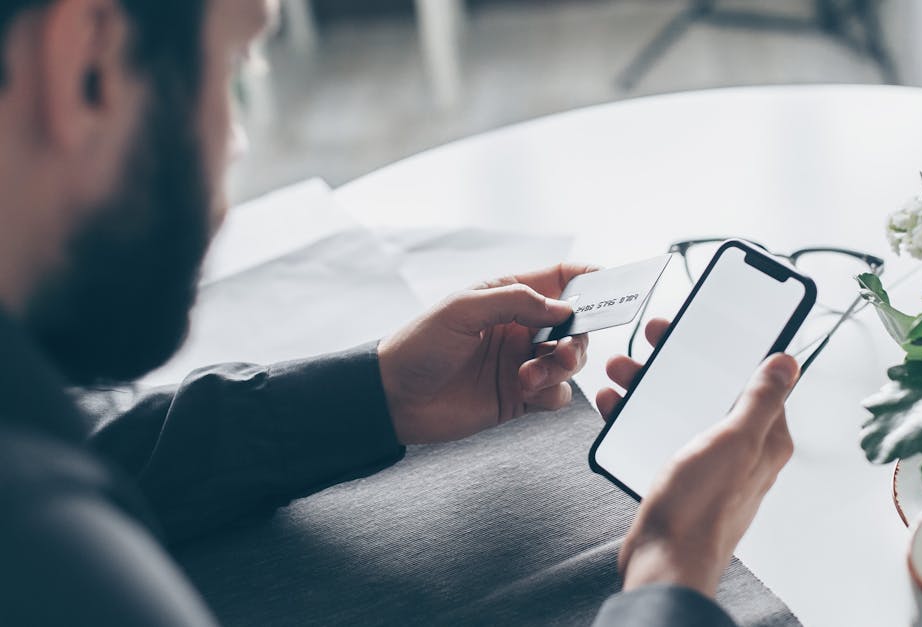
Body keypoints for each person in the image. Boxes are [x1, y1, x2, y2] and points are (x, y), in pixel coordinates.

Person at [0, 0, 798, 625]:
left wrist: (376, 393)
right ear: (89, 66)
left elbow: (107, 452)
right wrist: (671, 579)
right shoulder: (52, 548)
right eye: (233, 67)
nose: (236, 143)